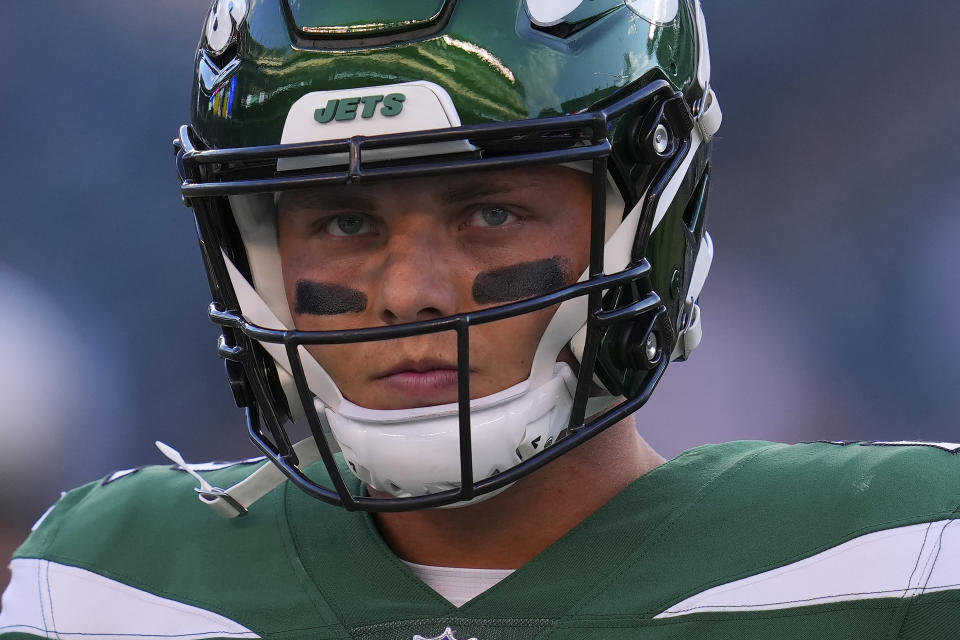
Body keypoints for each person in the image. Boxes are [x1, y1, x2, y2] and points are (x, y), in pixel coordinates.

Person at [1, 1, 958, 638]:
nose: (411, 289)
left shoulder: (898, 565)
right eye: (343, 220)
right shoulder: (110, 589)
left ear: (643, 216)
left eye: (490, 212)